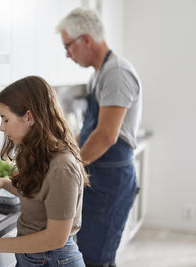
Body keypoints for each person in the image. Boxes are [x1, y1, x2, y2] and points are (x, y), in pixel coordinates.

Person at [55, 7, 143, 267]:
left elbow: (106, 136)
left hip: (111, 180)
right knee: (92, 256)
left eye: (68, 46)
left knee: (97, 259)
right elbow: (91, 129)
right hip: (100, 176)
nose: (67, 55)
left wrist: (70, 167)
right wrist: (66, 151)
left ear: (85, 39)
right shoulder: (99, 74)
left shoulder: (116, 73)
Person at [0, 75, 88, 267]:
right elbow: (42, 196)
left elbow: (56, 238)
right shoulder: (41, 153)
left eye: (5, 119)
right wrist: (3, 183)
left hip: (52, 259)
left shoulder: (62, 167)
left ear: (29, 117)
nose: (1, 127)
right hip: (37, 258)